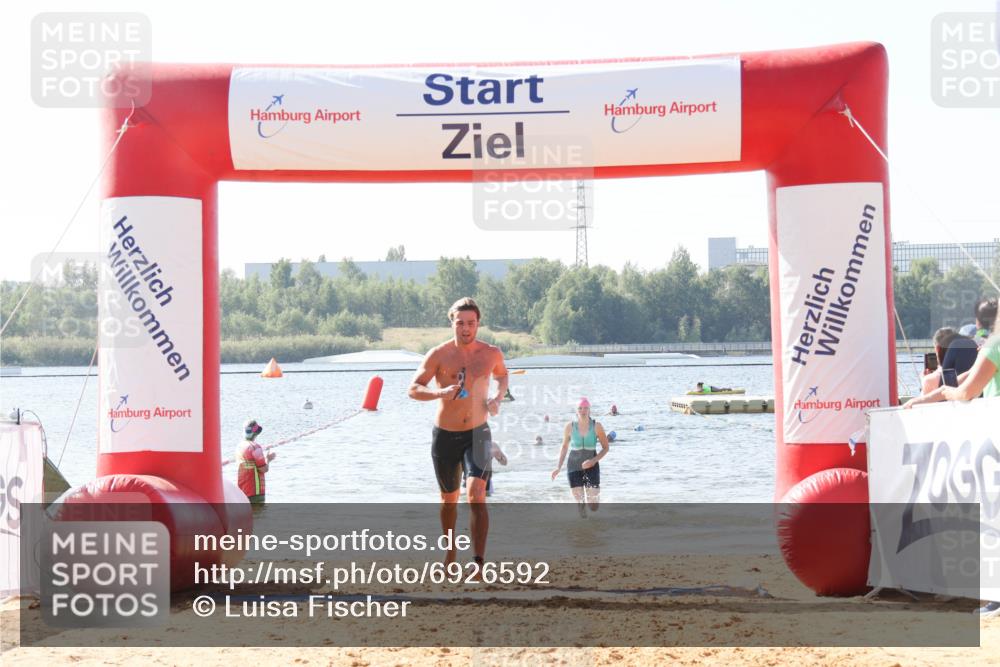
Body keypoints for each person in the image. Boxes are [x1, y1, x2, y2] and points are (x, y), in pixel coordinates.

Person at [408, 297, 509, 570]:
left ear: (478, 324)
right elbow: (414, 389)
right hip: (445, 436)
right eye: (461, 323)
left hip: (478, 433)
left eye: (471, 323)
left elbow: (502, 375)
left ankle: (478, 561)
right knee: (448, 500)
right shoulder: (438, 354)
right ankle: (450, 553)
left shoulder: (491, 353)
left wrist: (498, 397)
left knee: (476, 493)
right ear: (451, 322)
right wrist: (439, 392)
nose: (466, 329)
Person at [551, 398, 610, 516]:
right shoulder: (569, 427)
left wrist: (593, 461)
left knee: (593, 506)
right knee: (581, 505)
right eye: (580, 408)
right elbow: (564, 447)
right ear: (576, 411)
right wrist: (558, 467)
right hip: (573, 464)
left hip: (591, 463)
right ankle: (583, 531)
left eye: (586, 408)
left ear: (589, 410)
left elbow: (606, 448)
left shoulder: (597, 426)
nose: (583, 410)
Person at [920, 328, 977, 395]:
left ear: (938, 349)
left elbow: (921, 403)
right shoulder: (977, 374)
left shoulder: (930, 381)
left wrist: (923, 381)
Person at [236, 419, 276, 504]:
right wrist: (268, 459)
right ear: (256, 434)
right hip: (255, 492)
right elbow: (264, 469)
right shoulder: (255, 447)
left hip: (242, 491)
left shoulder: (239, 446)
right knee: (258, 515)